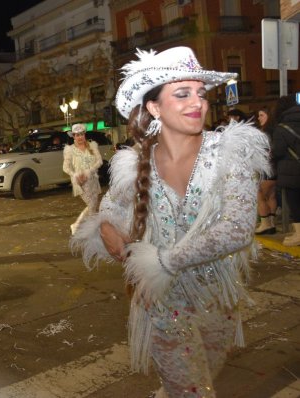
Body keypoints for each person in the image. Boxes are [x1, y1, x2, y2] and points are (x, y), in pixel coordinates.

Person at [71, 47, 271, 397]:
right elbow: (111, 211)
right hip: (162, 303)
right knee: (193, 390)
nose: (198, 102)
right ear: (154, 107)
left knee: (194, 380)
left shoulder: (230, 152)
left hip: (217, 300)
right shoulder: (134, 164)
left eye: (201, 93)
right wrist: (105, 229)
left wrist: (161, 262)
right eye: (183, 93)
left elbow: (237, 230)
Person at [63, 123, 102, 235]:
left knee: (93, 205)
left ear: (84, 135)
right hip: (80, 182)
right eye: (77, 135)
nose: (80, 137)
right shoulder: (69, 150)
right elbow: (65, 167)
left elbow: (99, 161)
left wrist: (89, 171)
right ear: (73, 136)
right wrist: (75, 175)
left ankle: (86, 228)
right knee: (91, 205)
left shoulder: (92, 146)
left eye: (81, 134)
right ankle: (85, 228)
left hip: (93, 180)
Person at [272, 94, 300, 246]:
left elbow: (278, 152)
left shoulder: (281, 128)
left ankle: (299, 235)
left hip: (292, 172)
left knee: (295, 204)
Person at [255, 107, 278, 235]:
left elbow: (264, 152)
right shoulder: (276, 130)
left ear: (269, 116)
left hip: (266, 168)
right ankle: (271, 223)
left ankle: (265, 224)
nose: (259, 118)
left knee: (260, 195)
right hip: (276, 168)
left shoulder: (265, 133)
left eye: (261, 115)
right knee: (271, 196)